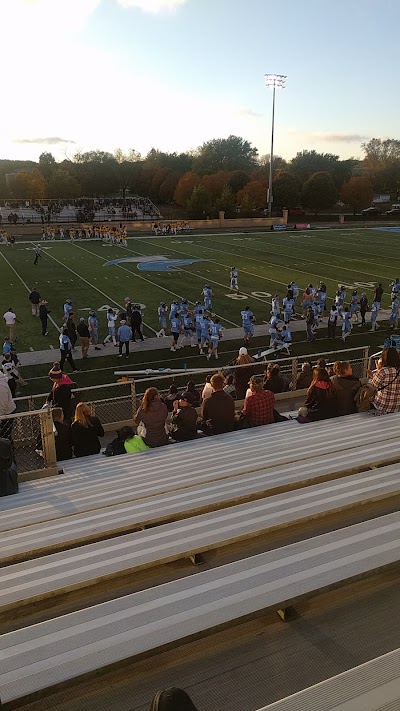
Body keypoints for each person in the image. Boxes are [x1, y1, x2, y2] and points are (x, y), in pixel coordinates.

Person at [368, 347, 400, 414]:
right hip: (397, 406)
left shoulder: (383, 371)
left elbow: (373, 386)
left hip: (382, 405)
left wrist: (377, 371)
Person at [0, 371, 16, 441]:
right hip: (4, 413)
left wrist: (0, 417)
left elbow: (3, 404)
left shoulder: (1, 386)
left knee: (4, 437)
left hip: (6, 414)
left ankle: (8, 451)